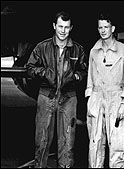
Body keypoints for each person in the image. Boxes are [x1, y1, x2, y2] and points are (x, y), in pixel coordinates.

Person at [25, 11, 88, 168]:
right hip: (47, 96)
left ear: (71, 28)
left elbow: (86, 70)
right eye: (60, 26)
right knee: (42, 140)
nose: (63, 31)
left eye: (66, 27)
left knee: (67, 141)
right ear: (54, 26)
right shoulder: (43, 47)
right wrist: (45, 73)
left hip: (68, 98)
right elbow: (29, 68)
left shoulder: (77, 50)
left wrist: (77, 76)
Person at [85, 13, 124, 168]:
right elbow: (90, 77)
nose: (103, 30)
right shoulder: (94, 51)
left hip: (116, 99)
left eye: (106, 27)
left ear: (112, 28)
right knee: (95, 143)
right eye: (100, 27)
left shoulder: (123, 50)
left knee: (116, 144)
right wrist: (90, 99)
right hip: (96, 97)